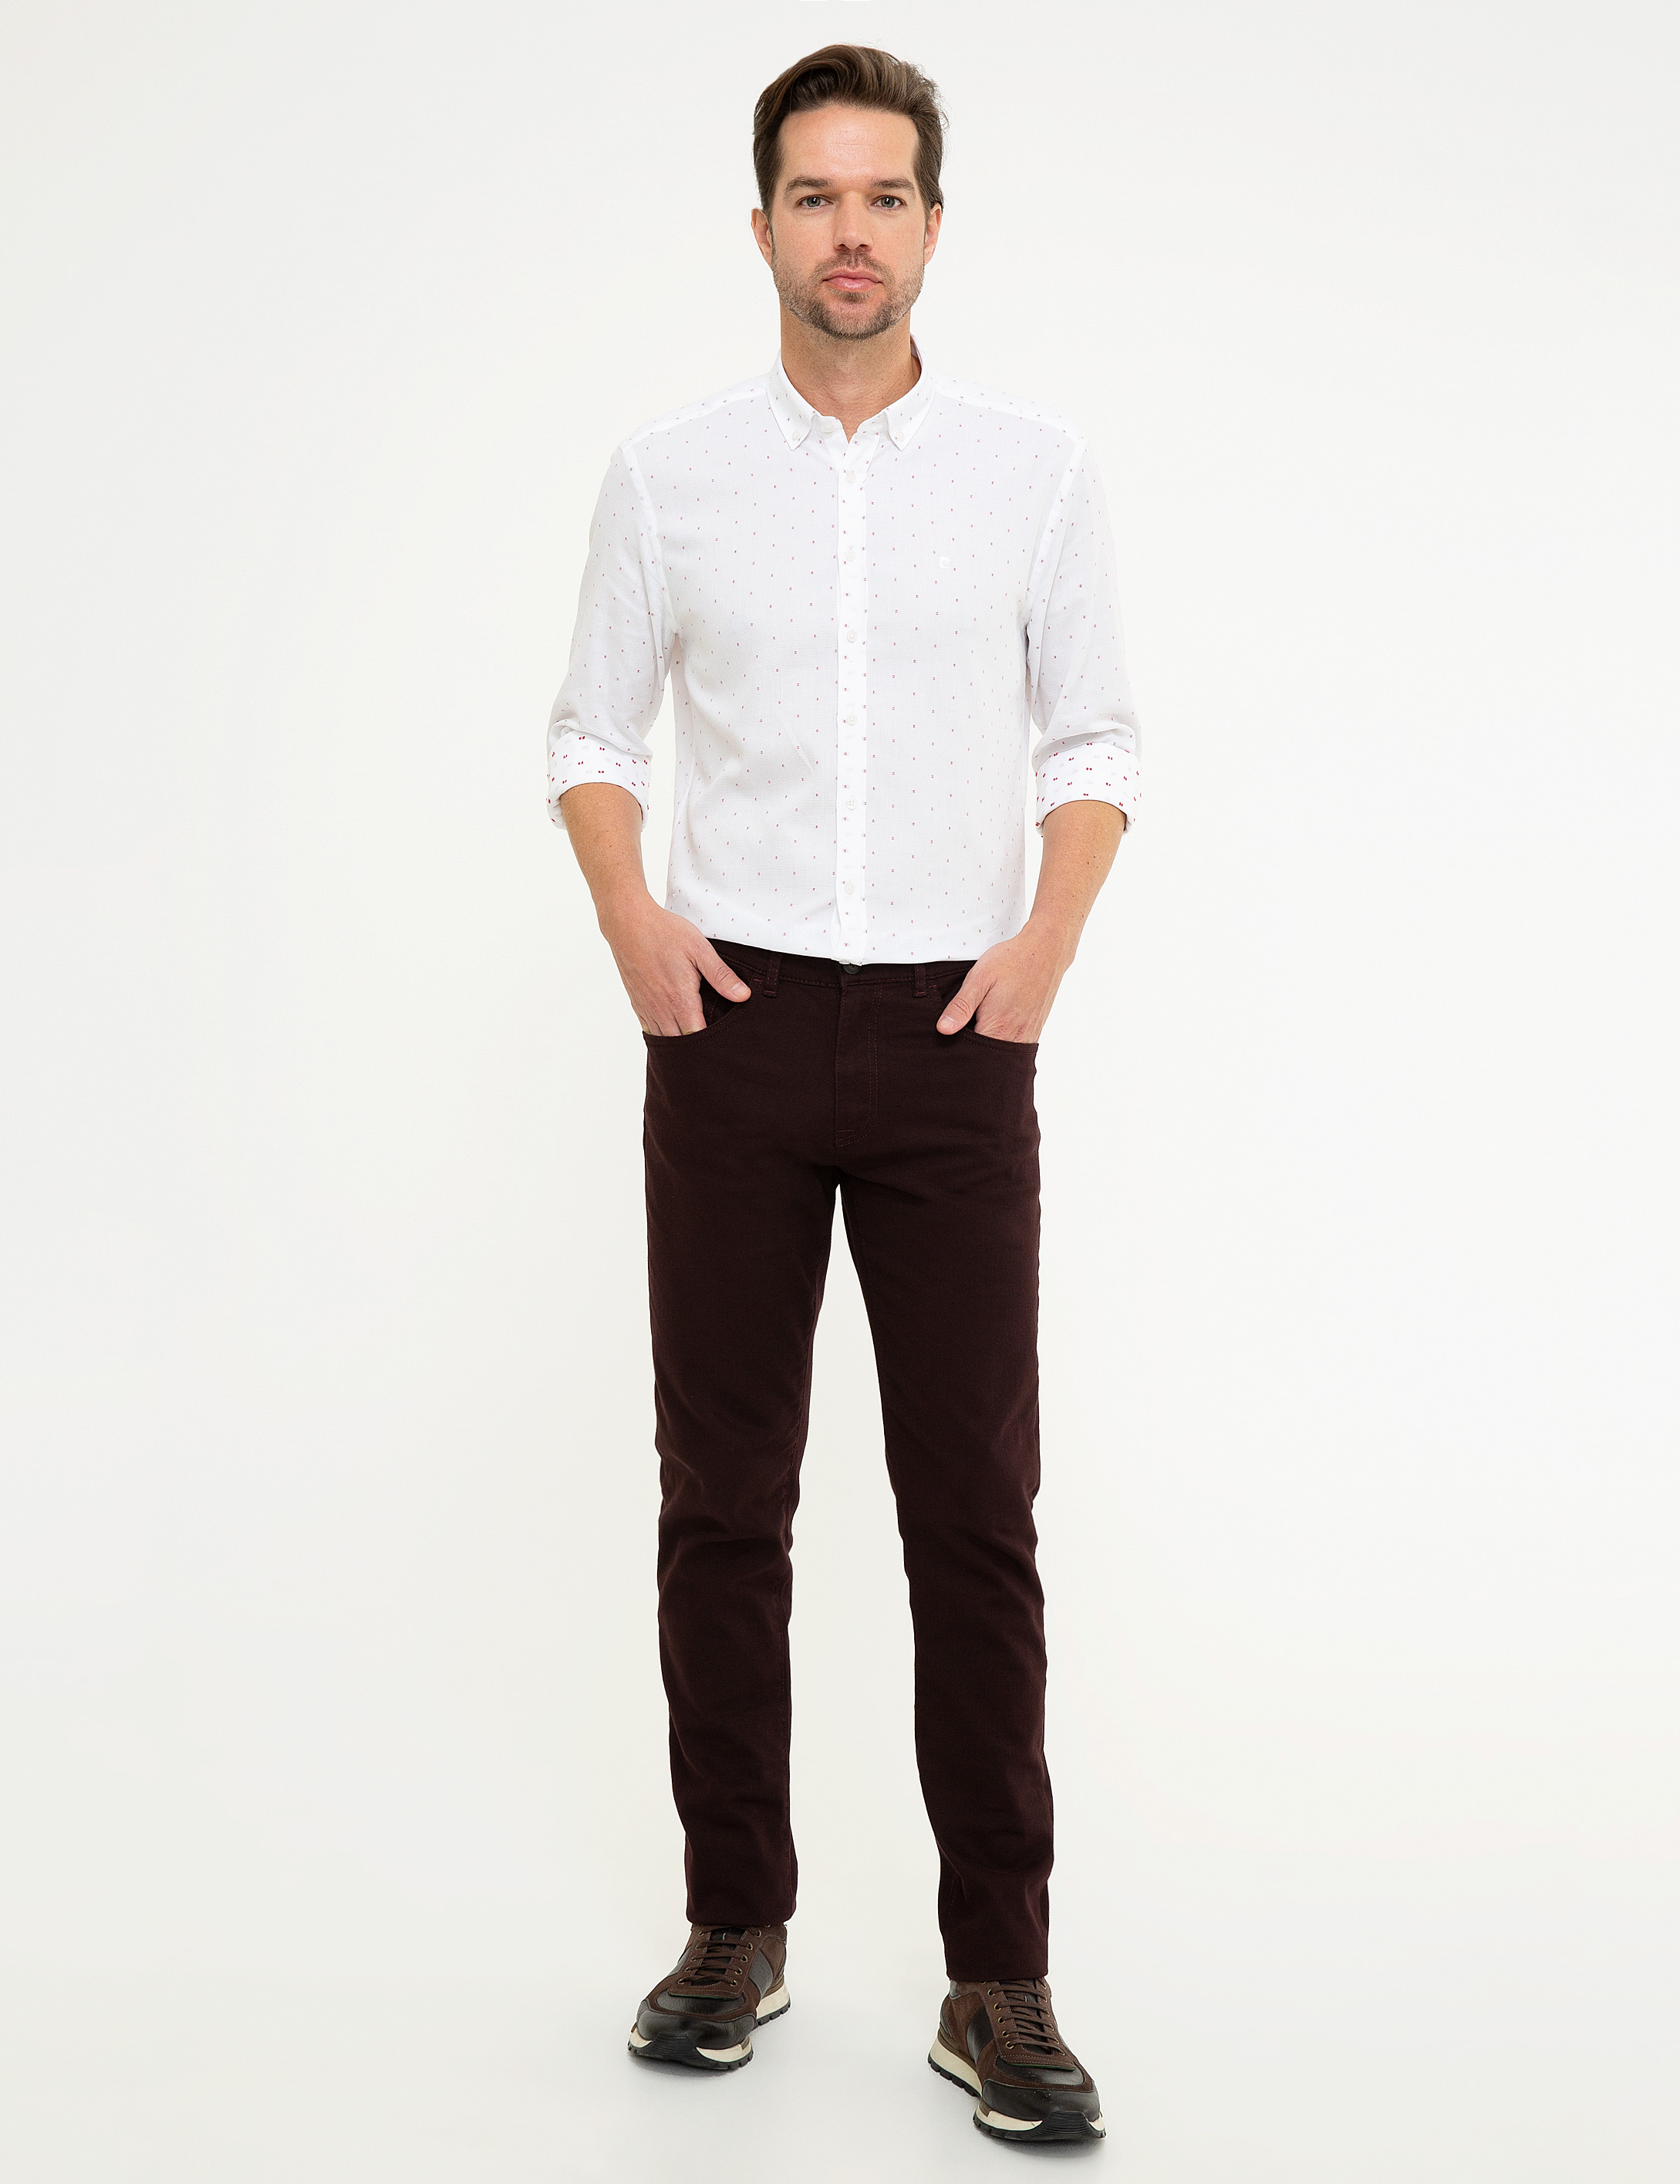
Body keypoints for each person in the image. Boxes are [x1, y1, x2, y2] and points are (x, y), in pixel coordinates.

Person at [548, 42, 1140, 2146]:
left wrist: (1042, 951)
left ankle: (998, 1977)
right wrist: (633, 922)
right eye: (815, 195)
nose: (851, 232)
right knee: (724, 1504)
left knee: (974, 1514)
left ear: (934, 226)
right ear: (763, 227)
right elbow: (589, 732)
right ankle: (736, 1926)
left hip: (959, 1040)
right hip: (728, 1025)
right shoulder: (669, 473)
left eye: (885, 195)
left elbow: (1095, 741)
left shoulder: (1033, 473)